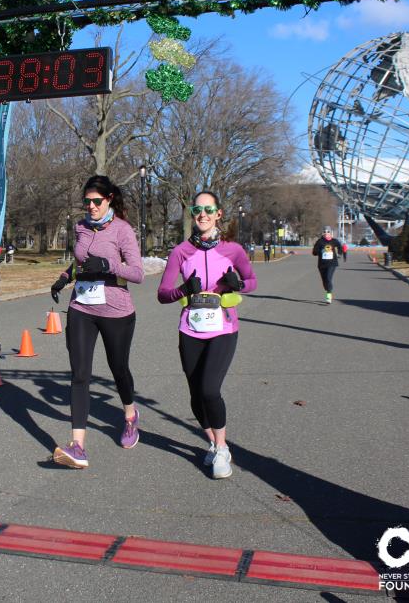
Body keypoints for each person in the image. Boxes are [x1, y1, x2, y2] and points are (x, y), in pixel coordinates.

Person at [157, 192, 256, 479]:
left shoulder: (233, 249)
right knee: (196, 394)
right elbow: (163, 294)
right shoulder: (180, 251)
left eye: (208, 209)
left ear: (218, 213)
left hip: (223, 328)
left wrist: (236, 284)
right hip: (190, 329)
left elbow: (251, 281)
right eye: (197, 209)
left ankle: (223, 449)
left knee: (210, 389)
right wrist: (184, 289)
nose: (203, 214)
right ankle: (212, 443)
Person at [49, 175, 144, 469]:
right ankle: (77, 446)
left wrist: (108, 265)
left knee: (119, 370)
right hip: (81, 307)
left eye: (96, 201)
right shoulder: (80, 227)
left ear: (109, 199)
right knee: (80, 374)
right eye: (87, 201)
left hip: (116, 310)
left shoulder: (122, 230)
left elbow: (137, 273)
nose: (91, 206)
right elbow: (80, 262)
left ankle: (130, 415)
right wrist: (64, 277)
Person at [312, 226, 343, 304]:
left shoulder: (334, 241)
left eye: (328, 232)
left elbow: (340, 247)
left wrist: (339, 253)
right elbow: (314, 252)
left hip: (332, 263)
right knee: (325, 281)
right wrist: (321, 251)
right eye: (325, 232)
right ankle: (328, 289)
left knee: (328, 278)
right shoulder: (320, 241)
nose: (326, 233)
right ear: (323, 233)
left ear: (330, 233)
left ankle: (329, 295)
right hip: (322, 264)